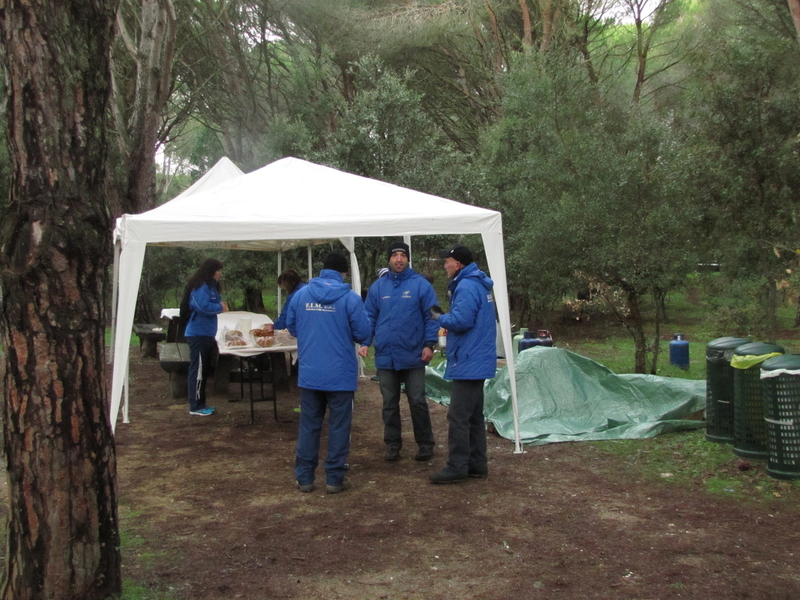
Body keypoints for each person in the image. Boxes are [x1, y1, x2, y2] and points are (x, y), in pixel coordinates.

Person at [286, 251, 372, 494]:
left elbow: (291, 326)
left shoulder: (300, 295)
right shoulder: (351, 299)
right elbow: (363, 332)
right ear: (343, 273)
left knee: (309, 424)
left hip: (310, 372)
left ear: (322, 271)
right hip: (340, 374)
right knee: (339, 426)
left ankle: (304, 477)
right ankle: (334, 477)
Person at [358, 241, 439, 462]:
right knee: (389, 403)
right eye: (395, 256)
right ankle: (393, 444)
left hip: (414, 354)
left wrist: (429, 344)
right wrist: (365, 342)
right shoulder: (377, 287)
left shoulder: (421, 285)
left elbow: (432, 316)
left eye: (403, 255)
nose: (399, 259)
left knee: (417, 400)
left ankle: (425, 444)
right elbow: (369, 317)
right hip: (386, 355)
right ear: (389, 259)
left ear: (408, 259)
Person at [429, 244, 496, 483]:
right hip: (478, 358)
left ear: (457, 264)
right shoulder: (479, 283)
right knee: (474, 416)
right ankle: (477, 464)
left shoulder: (466, 286)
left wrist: (439, 317)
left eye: (447, 261)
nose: (445, 265)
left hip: (469, 359)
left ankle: (456, 467)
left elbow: (462, 320)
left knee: (458, 417)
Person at [182, 258, 228, 416]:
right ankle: (195, 405)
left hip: (207, 333)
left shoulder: (211, 287)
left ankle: (201, 402)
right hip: (198, 333)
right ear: (211, 271)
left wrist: (219, 306)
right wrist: (219, 308)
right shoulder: (201, 286)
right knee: (199, 370)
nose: (220, 273)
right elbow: (201, 306)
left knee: (204, 369)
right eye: (218, 270)